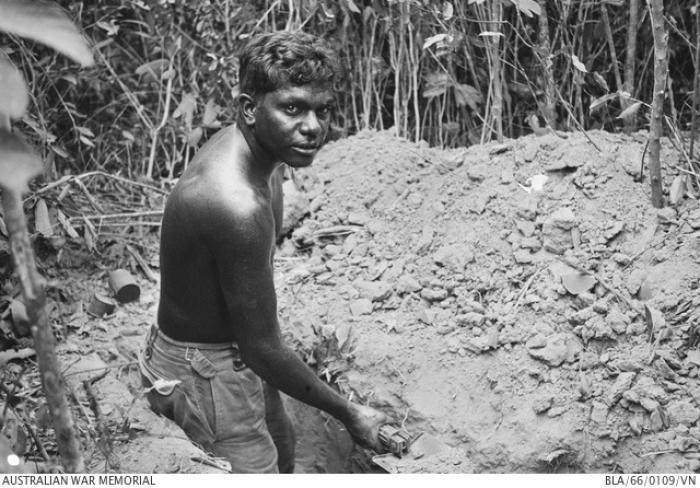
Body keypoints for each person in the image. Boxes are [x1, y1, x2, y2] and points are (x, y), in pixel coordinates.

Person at [138, 30, 389, 474]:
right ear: (250, 109)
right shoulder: (235, 204)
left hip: (235, 346)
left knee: (283, 439)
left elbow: (256, 340)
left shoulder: (265, 159)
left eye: (322, 110)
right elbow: (262, 348)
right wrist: (351, 412)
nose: (312, 126)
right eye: (292, 108)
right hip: (204, 369)